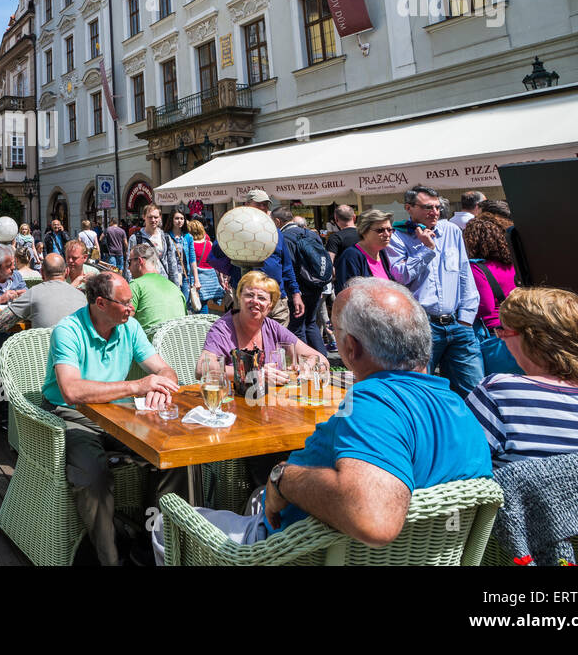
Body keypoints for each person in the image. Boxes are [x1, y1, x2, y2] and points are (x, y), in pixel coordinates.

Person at [155, 276, 491, 555]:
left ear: (351, 349)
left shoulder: (371, 404)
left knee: (161, 523)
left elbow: (374, 518)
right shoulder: (459, 407)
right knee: (257, 499)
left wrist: (282, 478)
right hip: (420, 554)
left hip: (303, 553)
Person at [43, 271, 187, 566]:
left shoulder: (130, 327)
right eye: (125, 303)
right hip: (71, 416)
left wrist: (161, 386)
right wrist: (136, 386)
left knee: (173, 456)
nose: (132, 309)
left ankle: (150, 545)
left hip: (117, 413)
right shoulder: (68, 330)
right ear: (100, 303)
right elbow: (71, 390)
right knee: (93, 476)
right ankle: (110, 559)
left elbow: (165, 370)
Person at [466, 287, 578, 467]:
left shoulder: (498, 392)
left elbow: (458, 470)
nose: (501, 338)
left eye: (504, 331)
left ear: (531, 339)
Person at [387, 184, 482, 397]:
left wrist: (466, 318)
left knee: (473, 391)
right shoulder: (397, 236)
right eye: (428, 207)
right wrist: (426, 249)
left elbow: (464, 273)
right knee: (422, 392)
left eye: (438, 207)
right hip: (422, 325)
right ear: (409, 208)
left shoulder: (451, 231)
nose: (435, 212)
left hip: (458, 324)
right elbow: (400, 276)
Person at [197, 271, 327, 382]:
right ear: (239, 298)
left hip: (271, 402)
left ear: (270, 305)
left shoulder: (273, 328)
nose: (255, 301)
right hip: (233, 403)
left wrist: (308, 366)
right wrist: (252, 374)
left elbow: (321, 359)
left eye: (262, 298)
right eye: (249, 295)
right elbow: (202, 369)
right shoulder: (223, 328)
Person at [205, 192, 302, 326]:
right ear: (247, 204)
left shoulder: (275, 232)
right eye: (258, 204)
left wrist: (296, 293)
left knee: (279, 342)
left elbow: (286, 266)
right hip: (247, 298)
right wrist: (232, 227)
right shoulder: (235, 228)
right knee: (249, 341)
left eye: (265, 204)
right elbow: (216, 256)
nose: (262, 207)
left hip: (275, 298)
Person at [463, 214, 522, 376]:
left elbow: (486, 307)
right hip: (522, 331)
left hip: (495, 337)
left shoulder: (477, 269)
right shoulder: (514, 264)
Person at [271, 207, 331, 355]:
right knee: (311, 324)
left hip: (298, 289)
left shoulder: (283, 237)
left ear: (277, 221)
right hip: (316, 286)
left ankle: (305, 362)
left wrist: (293, 291)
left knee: (297, 328)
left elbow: (288, 266)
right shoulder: (311, 234)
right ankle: (323, 359)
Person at [0, 253, 86, 335]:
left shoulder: (34, 293)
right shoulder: (82, 297)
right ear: (67, 272)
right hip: (78, 357)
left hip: (41, 356)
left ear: (41, 273)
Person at [126, 244, 187, 334]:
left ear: (139, 261)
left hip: (150, 344)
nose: (128, 268)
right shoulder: (175, 288)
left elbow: (124, 321)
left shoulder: (136, 285)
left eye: (129, 262)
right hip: (177, 343)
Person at [333, 209, 395, 293]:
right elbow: (346, 294)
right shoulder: (351, 256)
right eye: (380, 230)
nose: (387, 234)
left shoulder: (381, 252)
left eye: (389, 229)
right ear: (364, 231)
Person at [128, 205, 183, 288]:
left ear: (160, 217)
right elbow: (129, 265)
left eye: (156, 217)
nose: (153, 220)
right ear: (144, 217)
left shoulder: (166, 238)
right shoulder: (136, 238)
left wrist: (176, 288)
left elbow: (172, 264)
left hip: (163, 283)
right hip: (144, 285)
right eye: (150, 217)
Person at [169, 210, 201, 311]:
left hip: (185, 276)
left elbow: (192, 259)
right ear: (172, 220)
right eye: (177, 218)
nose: (179, 221)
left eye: (182, 218)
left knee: (186, 304)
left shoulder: (188, 237)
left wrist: (196, 279)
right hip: (171, 276)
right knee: (174, 303)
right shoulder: (166, 236)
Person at [189, 219, 223, 309]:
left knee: (198, 304)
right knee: (204, 303)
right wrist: (221, 278)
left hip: (198, 279)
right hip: (210, 279)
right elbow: (215, 262)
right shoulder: (209, 243)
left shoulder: (191, 245)